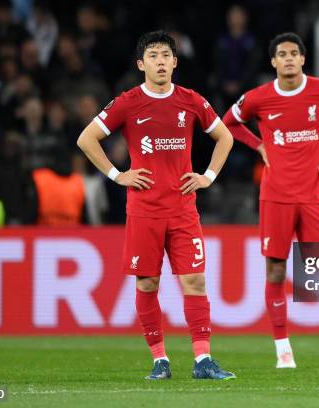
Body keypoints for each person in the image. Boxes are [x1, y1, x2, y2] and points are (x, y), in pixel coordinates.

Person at [77, 31, 235, 380]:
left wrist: (208, 175)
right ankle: (160, 360)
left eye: (166, 55)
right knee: (147, 284)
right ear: (141, 64)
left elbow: (225, 136)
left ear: (175, 62)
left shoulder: (191, 100)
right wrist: (118, 175)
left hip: (182, 208)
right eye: (153, 56)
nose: (161, 61)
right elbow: (86, 138)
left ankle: (203, 361)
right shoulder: (129, 101)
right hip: (144, 209)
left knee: (194, 281)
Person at [222, 32, 319, 369]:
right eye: (282, 54)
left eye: (294, 53)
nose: (288, 58)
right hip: (275, 197)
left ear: (303, 59)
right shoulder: (259, 98)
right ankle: (283, 351)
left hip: (315, 197)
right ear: (273, 62)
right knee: (275, 271)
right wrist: (258, 146)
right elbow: (229, 122)